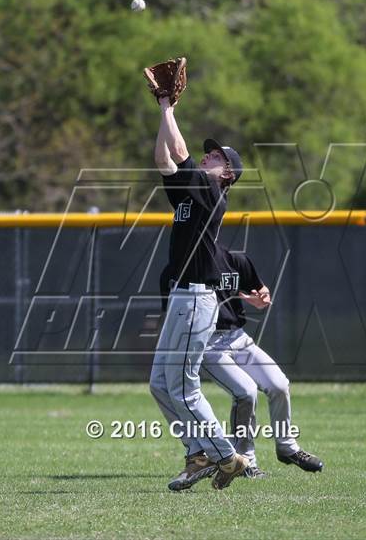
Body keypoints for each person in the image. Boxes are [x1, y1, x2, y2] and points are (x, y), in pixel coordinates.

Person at [159, 245, 324, 491]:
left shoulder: (235, 259)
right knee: (245, 392)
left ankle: (287, 447)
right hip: (208, 343)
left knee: (279, 384)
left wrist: (262, 297)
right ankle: (246, 460)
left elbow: (261, 290)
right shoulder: (175, 270)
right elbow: (174, 317)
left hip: (238, 338)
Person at [149, 96, 248, 490]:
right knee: (160, 382)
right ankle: (198, 454)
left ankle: (226, 456)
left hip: (196, 299)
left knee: (184, 387)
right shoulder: (192, 192)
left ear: (227, 175)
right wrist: (162, 112)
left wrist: (168, 108)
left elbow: (180, 150)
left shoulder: (211, 194)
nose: (209, 157)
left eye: (218, 157)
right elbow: (164, 160)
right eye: (210, 154)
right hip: (180, 297)